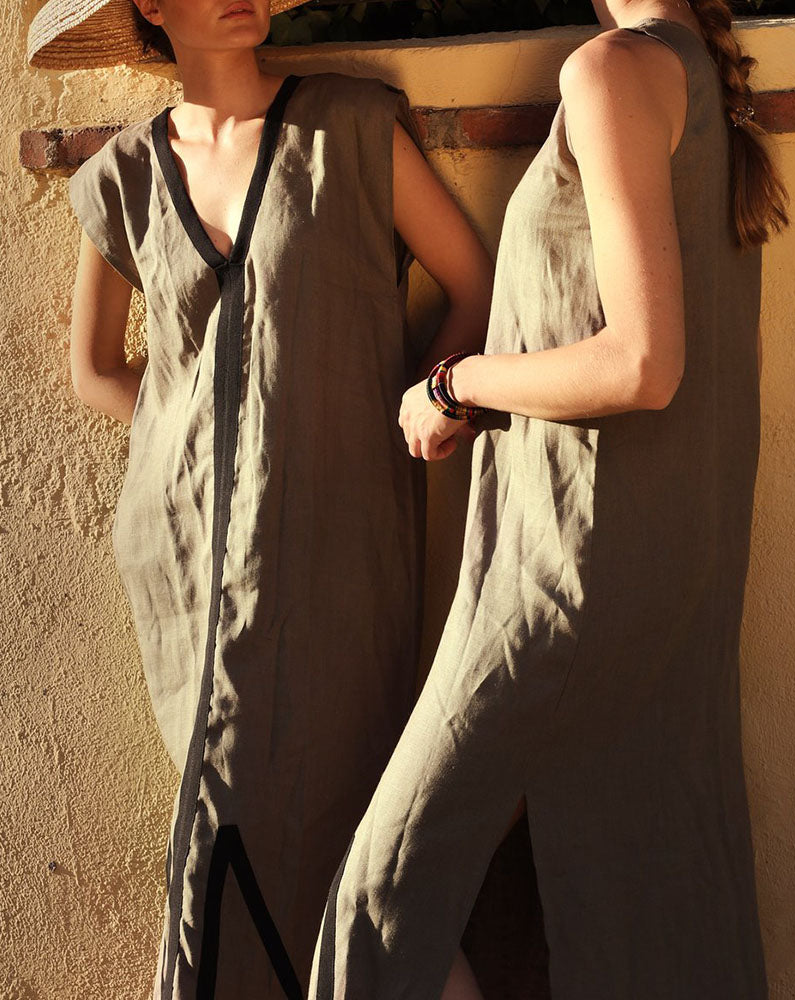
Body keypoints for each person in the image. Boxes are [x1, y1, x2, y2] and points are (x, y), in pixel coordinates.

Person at [308, 0, 789, 996]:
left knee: (382, 902)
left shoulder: (612, 72)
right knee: (644, 914)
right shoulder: (693, 73)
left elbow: (643, 363)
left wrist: (455, 385)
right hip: (663, 583)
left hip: (564, 581)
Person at [26, 1, 494, 998]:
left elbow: (471, 281)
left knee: (346, 822)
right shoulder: (122, 175)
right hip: (186, 558)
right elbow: (95, 370)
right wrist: (194, 445)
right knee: (229, 810)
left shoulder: (351, 127)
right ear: (151, 7)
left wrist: (412, 405)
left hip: (341, 544)